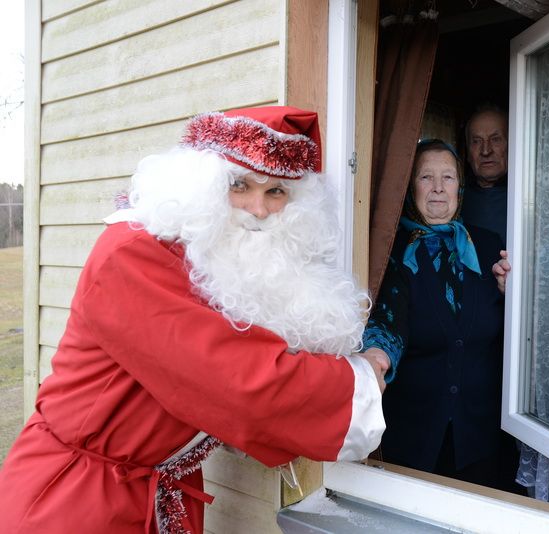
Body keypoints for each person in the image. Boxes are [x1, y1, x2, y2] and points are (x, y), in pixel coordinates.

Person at [0, 106, 388, 534]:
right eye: (239, 185)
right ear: (199, 185)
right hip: (75, 503)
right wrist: (360, 380)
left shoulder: (220, 262)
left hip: (151, 495)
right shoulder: (132, 255)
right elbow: (238, 381)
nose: (258, 209)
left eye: (276, 192)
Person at [361, 139, 520, 494]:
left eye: (447, 177)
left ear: (459, 189)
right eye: (425, 177)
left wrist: (514, 296)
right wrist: (376, 355)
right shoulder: (390, 251)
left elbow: (516, 332)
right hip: (413, 436)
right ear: (409, 186)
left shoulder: (486, 246)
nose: (437, 187)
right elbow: (387, 318)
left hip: (480, 436)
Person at [460, 104, 509, 244]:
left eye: (495, 139)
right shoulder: (452, 199)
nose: (486, 151)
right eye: (476, 141)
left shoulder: (530, 198)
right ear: (468, 153)